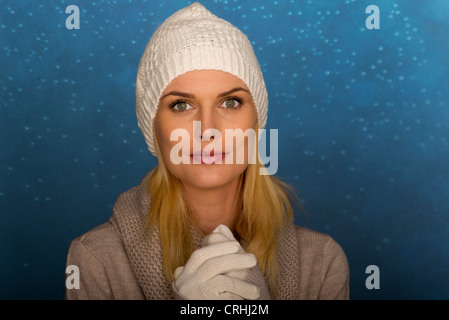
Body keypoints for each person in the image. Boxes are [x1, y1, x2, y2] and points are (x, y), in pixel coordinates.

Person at [65, 2, 349, 300]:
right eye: (181, 105)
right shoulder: (96, 260)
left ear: (256, 121)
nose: (208, 128)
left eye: (230, 102)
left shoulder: (322, 264)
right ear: (154, 127)